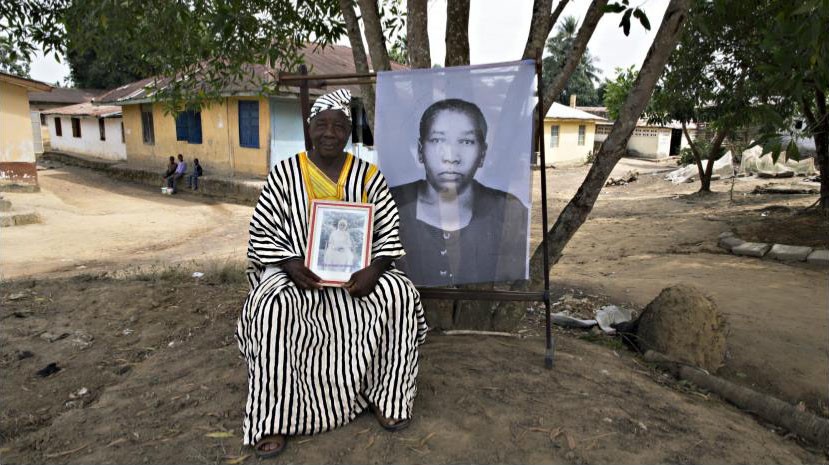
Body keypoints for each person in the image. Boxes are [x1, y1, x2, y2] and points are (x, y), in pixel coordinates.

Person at [236, 89, 428, 458]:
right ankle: (271, 417)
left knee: (400, 294)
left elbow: (388, 231)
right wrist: (290, 263)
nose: (329, 133)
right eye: (321, 125)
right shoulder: (284, 174)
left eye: (338, 126)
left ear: (348, 132)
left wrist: (376, 267)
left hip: (358, 276)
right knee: (271, 305)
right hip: (296, 273)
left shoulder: (369, 176)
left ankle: (387, 397)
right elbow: (262, 230)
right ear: (309, 129)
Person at [390, 98, 529, 287]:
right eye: (438, 140)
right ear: (421, 150)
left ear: (483, 153)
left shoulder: (508, 211)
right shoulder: (390, 204)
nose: (451, 158)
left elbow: (509, 283)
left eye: (466, 141)